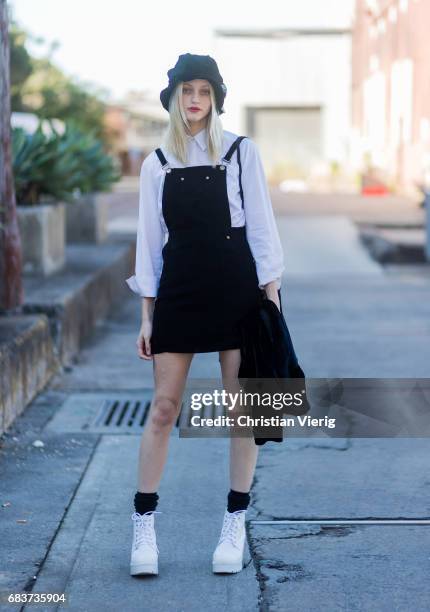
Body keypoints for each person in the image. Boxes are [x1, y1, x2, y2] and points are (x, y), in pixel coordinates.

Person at [125, 53, 285, 576]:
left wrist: (272, 304)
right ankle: (143, 528)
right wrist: (147, 315)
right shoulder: (157, 163)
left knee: (243, 410)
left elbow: (261, 230)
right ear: (173, 97)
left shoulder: (241, 152)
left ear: (215, 98)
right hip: (180, 288)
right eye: (186, 90)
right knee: (164, 409)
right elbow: (149, 245)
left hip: (237, 287)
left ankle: (233, 524)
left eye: (204, 91)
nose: (194, 100)